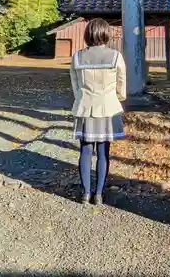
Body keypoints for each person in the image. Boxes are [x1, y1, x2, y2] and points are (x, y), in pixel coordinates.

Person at [69, 18, 126, 206]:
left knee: (85, 152)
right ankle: (99, 194)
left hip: (85, 107)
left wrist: (82, 98)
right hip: (108, 107)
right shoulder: (115, 56)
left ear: (87, 34)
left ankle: (86, 193)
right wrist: (117, 97)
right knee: (103, 153)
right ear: (106, 34)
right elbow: (121, 82)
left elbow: (75, 85)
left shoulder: (77, 57)